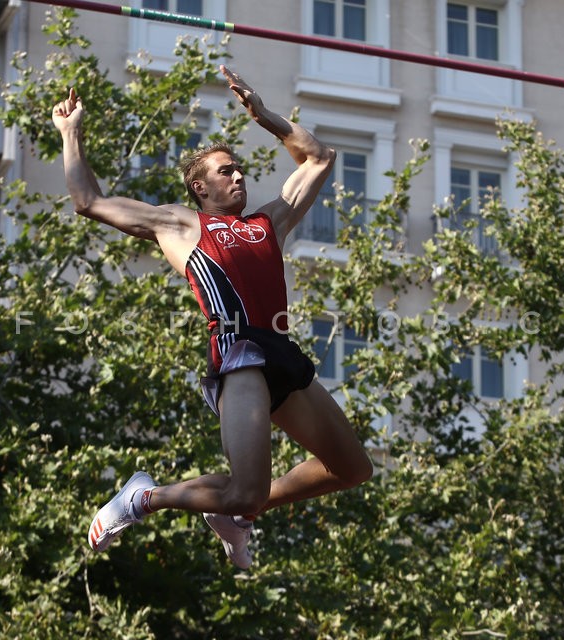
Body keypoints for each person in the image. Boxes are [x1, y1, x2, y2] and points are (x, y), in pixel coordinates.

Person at [51, 65, 373, 569]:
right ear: (200, 188)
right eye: (226, 170)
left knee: (352, 469)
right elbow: (87, 201)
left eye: (240, 168)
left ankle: (238, 516)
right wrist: (72, 133)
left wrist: (265, 115)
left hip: (281, 351)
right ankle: (142, 499)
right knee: (244, 491)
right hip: (239, 355)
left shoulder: (270, 220)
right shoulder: (180, 224)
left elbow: (320, 157)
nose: (239, 174)